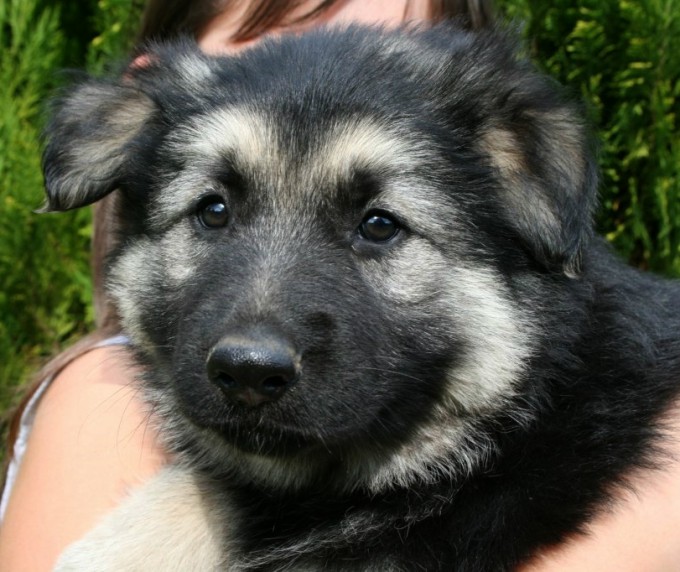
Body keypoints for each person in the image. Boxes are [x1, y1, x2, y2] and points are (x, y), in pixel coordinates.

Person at [0, 1, 679, 570]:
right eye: (213, 211)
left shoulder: (652, 455)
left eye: (381, 226)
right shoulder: (94, 406)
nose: (254, 344)